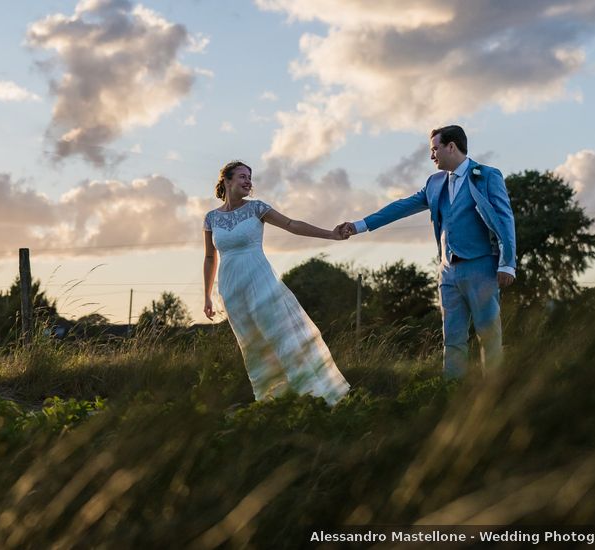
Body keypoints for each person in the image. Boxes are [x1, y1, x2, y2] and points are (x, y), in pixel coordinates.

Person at [339, 125, 516, 378]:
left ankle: (494, 396)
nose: (432, 155)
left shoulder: (486, 175)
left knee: (489, 337)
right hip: (448, 274)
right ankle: (450, 396)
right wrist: (358, 226)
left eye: (435, 149)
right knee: (452, 341)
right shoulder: (434, 183)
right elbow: (402, 207)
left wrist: (507, 263)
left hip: (482, 268)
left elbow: (505, 218)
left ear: (451, 146)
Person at [203, 160, 351, 405]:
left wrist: (330, 234)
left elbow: (292, 225)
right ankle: (272, 402)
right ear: (226, 181)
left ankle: (313, 396)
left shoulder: (257, 208)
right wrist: (208, 296)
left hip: (260, 282)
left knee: (282, 339)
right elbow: (210, 257)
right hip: (230, 289)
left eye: (250, 177)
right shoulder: (211, 218)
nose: (248, 181)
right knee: (253, 348)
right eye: (242, 176)